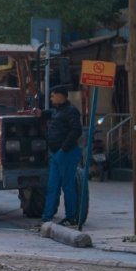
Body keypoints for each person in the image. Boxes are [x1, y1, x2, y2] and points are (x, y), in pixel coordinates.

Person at [42, 85, 83, 227]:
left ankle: (71, 216)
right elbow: (47, 113)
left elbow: (76, 130)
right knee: (52, 186)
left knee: (68, 186)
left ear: (61, 96)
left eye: (53, 95)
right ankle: (46, 218)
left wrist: (63, 149)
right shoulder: (57, 111)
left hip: (66, 153)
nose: (51, 98)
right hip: (56, 154)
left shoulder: (71, 111)